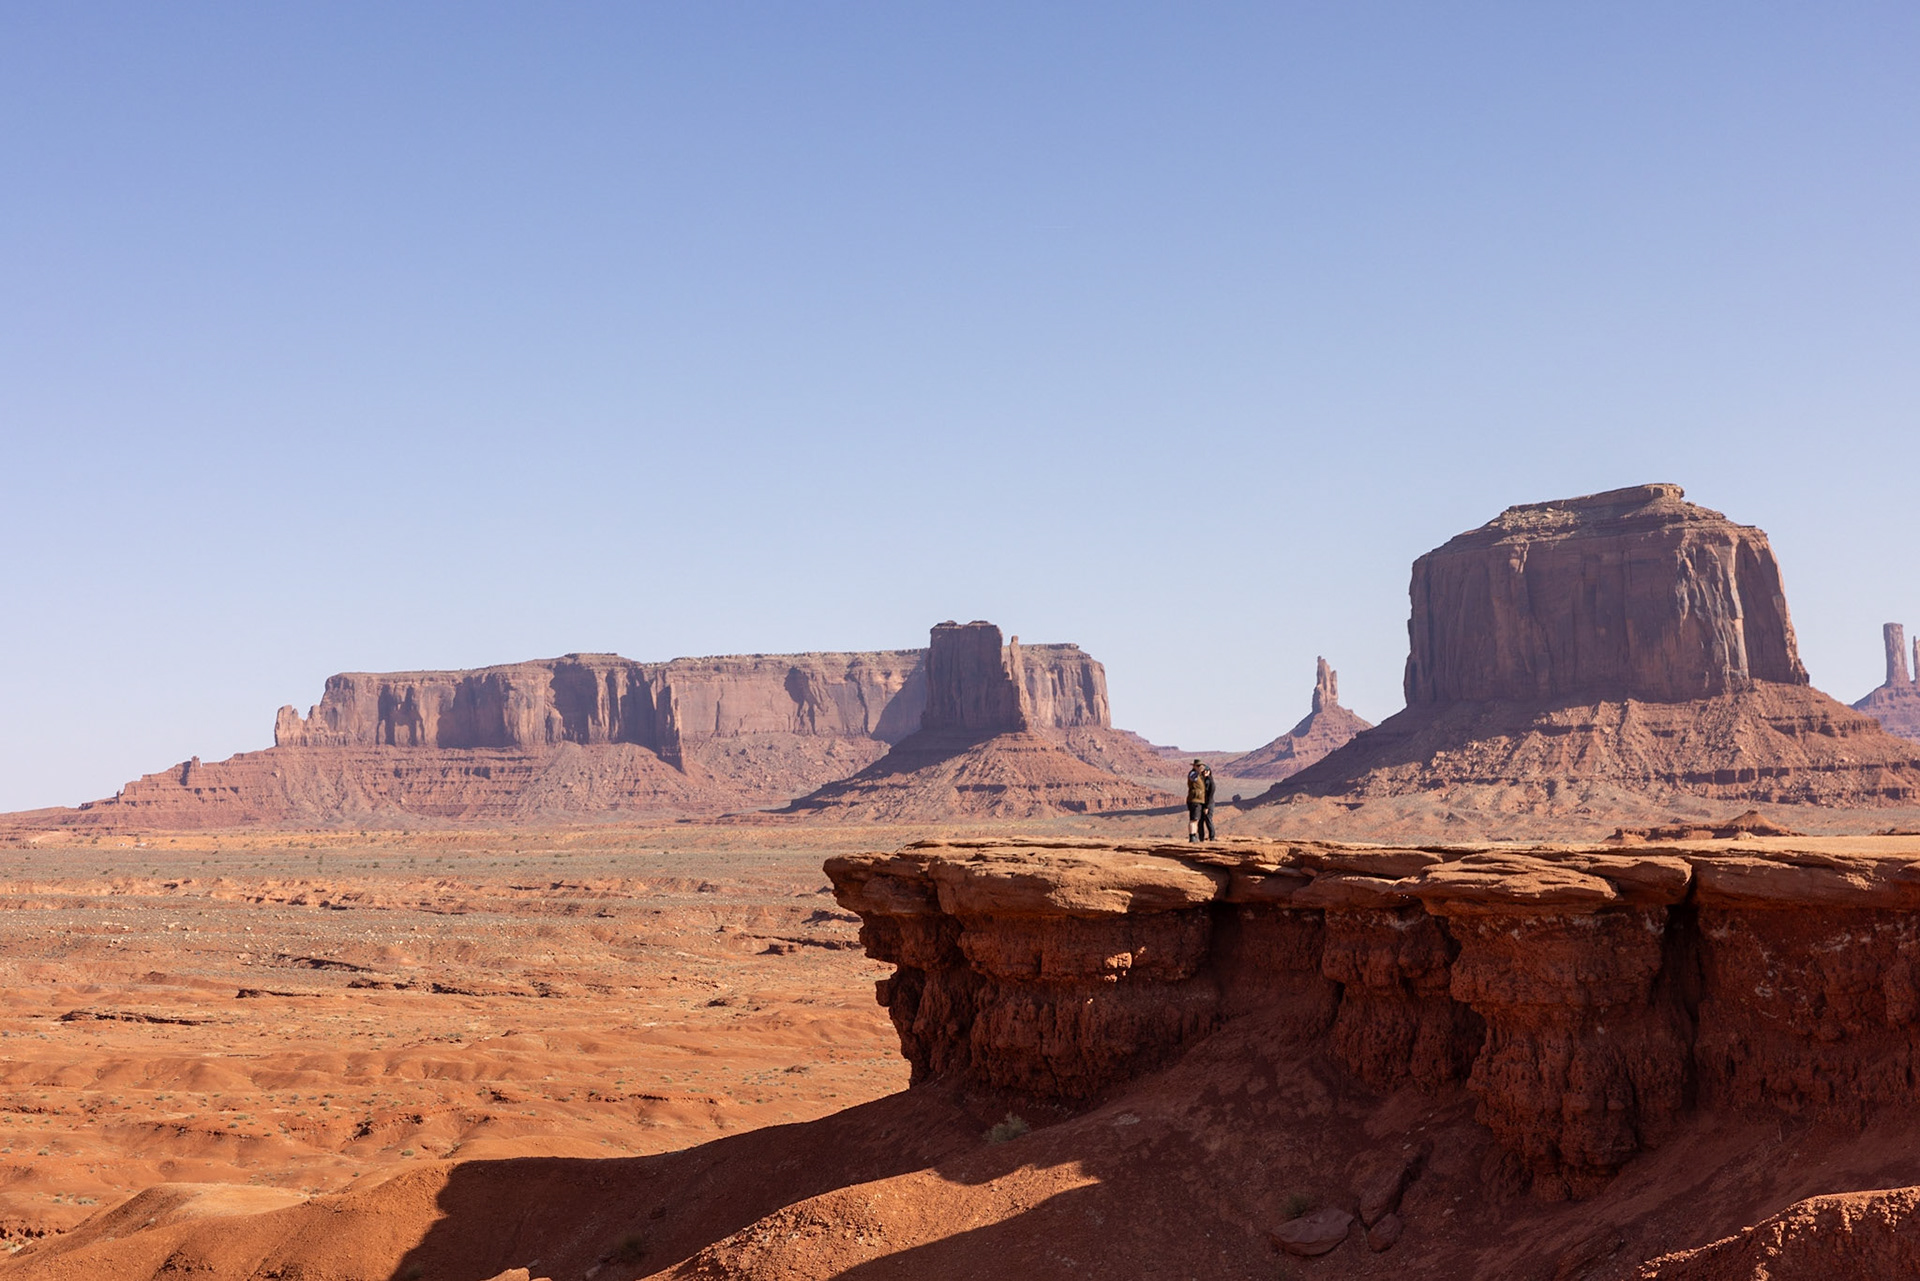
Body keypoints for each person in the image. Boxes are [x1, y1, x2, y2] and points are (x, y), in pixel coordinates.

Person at [1186, 759, 1216, 842]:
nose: (1201, 767)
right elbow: (1193, 778)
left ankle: (1197, 836)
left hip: (1201, 801)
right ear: (1194, 766)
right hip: (1195, 799)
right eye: (1198, 766)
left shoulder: (1204, 777)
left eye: (1201, 766)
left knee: (1198, 820)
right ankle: (1192, 836)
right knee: (1194, 819)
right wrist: (1198, 771)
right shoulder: (1193, 773)